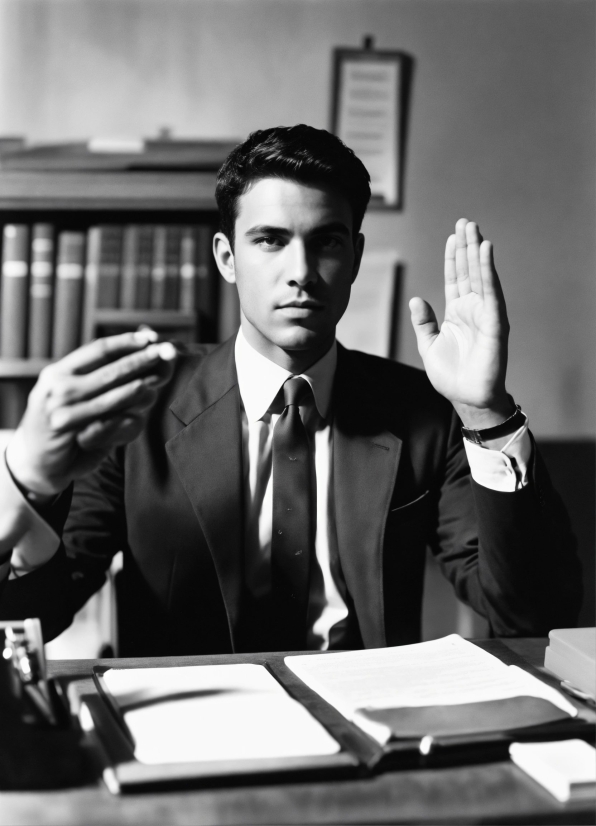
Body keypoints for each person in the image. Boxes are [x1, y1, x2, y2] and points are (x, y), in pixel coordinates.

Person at [0, 125, 581, 655]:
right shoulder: (143, 407)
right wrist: (24, 484)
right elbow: (37, 613)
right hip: (190, 731)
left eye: (326, 242)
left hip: (370, 729)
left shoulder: (426, 411)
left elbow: (529, 613)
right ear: (227, 258)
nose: (300, 271)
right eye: (271, 241)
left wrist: (487, 414)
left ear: (353, 258)